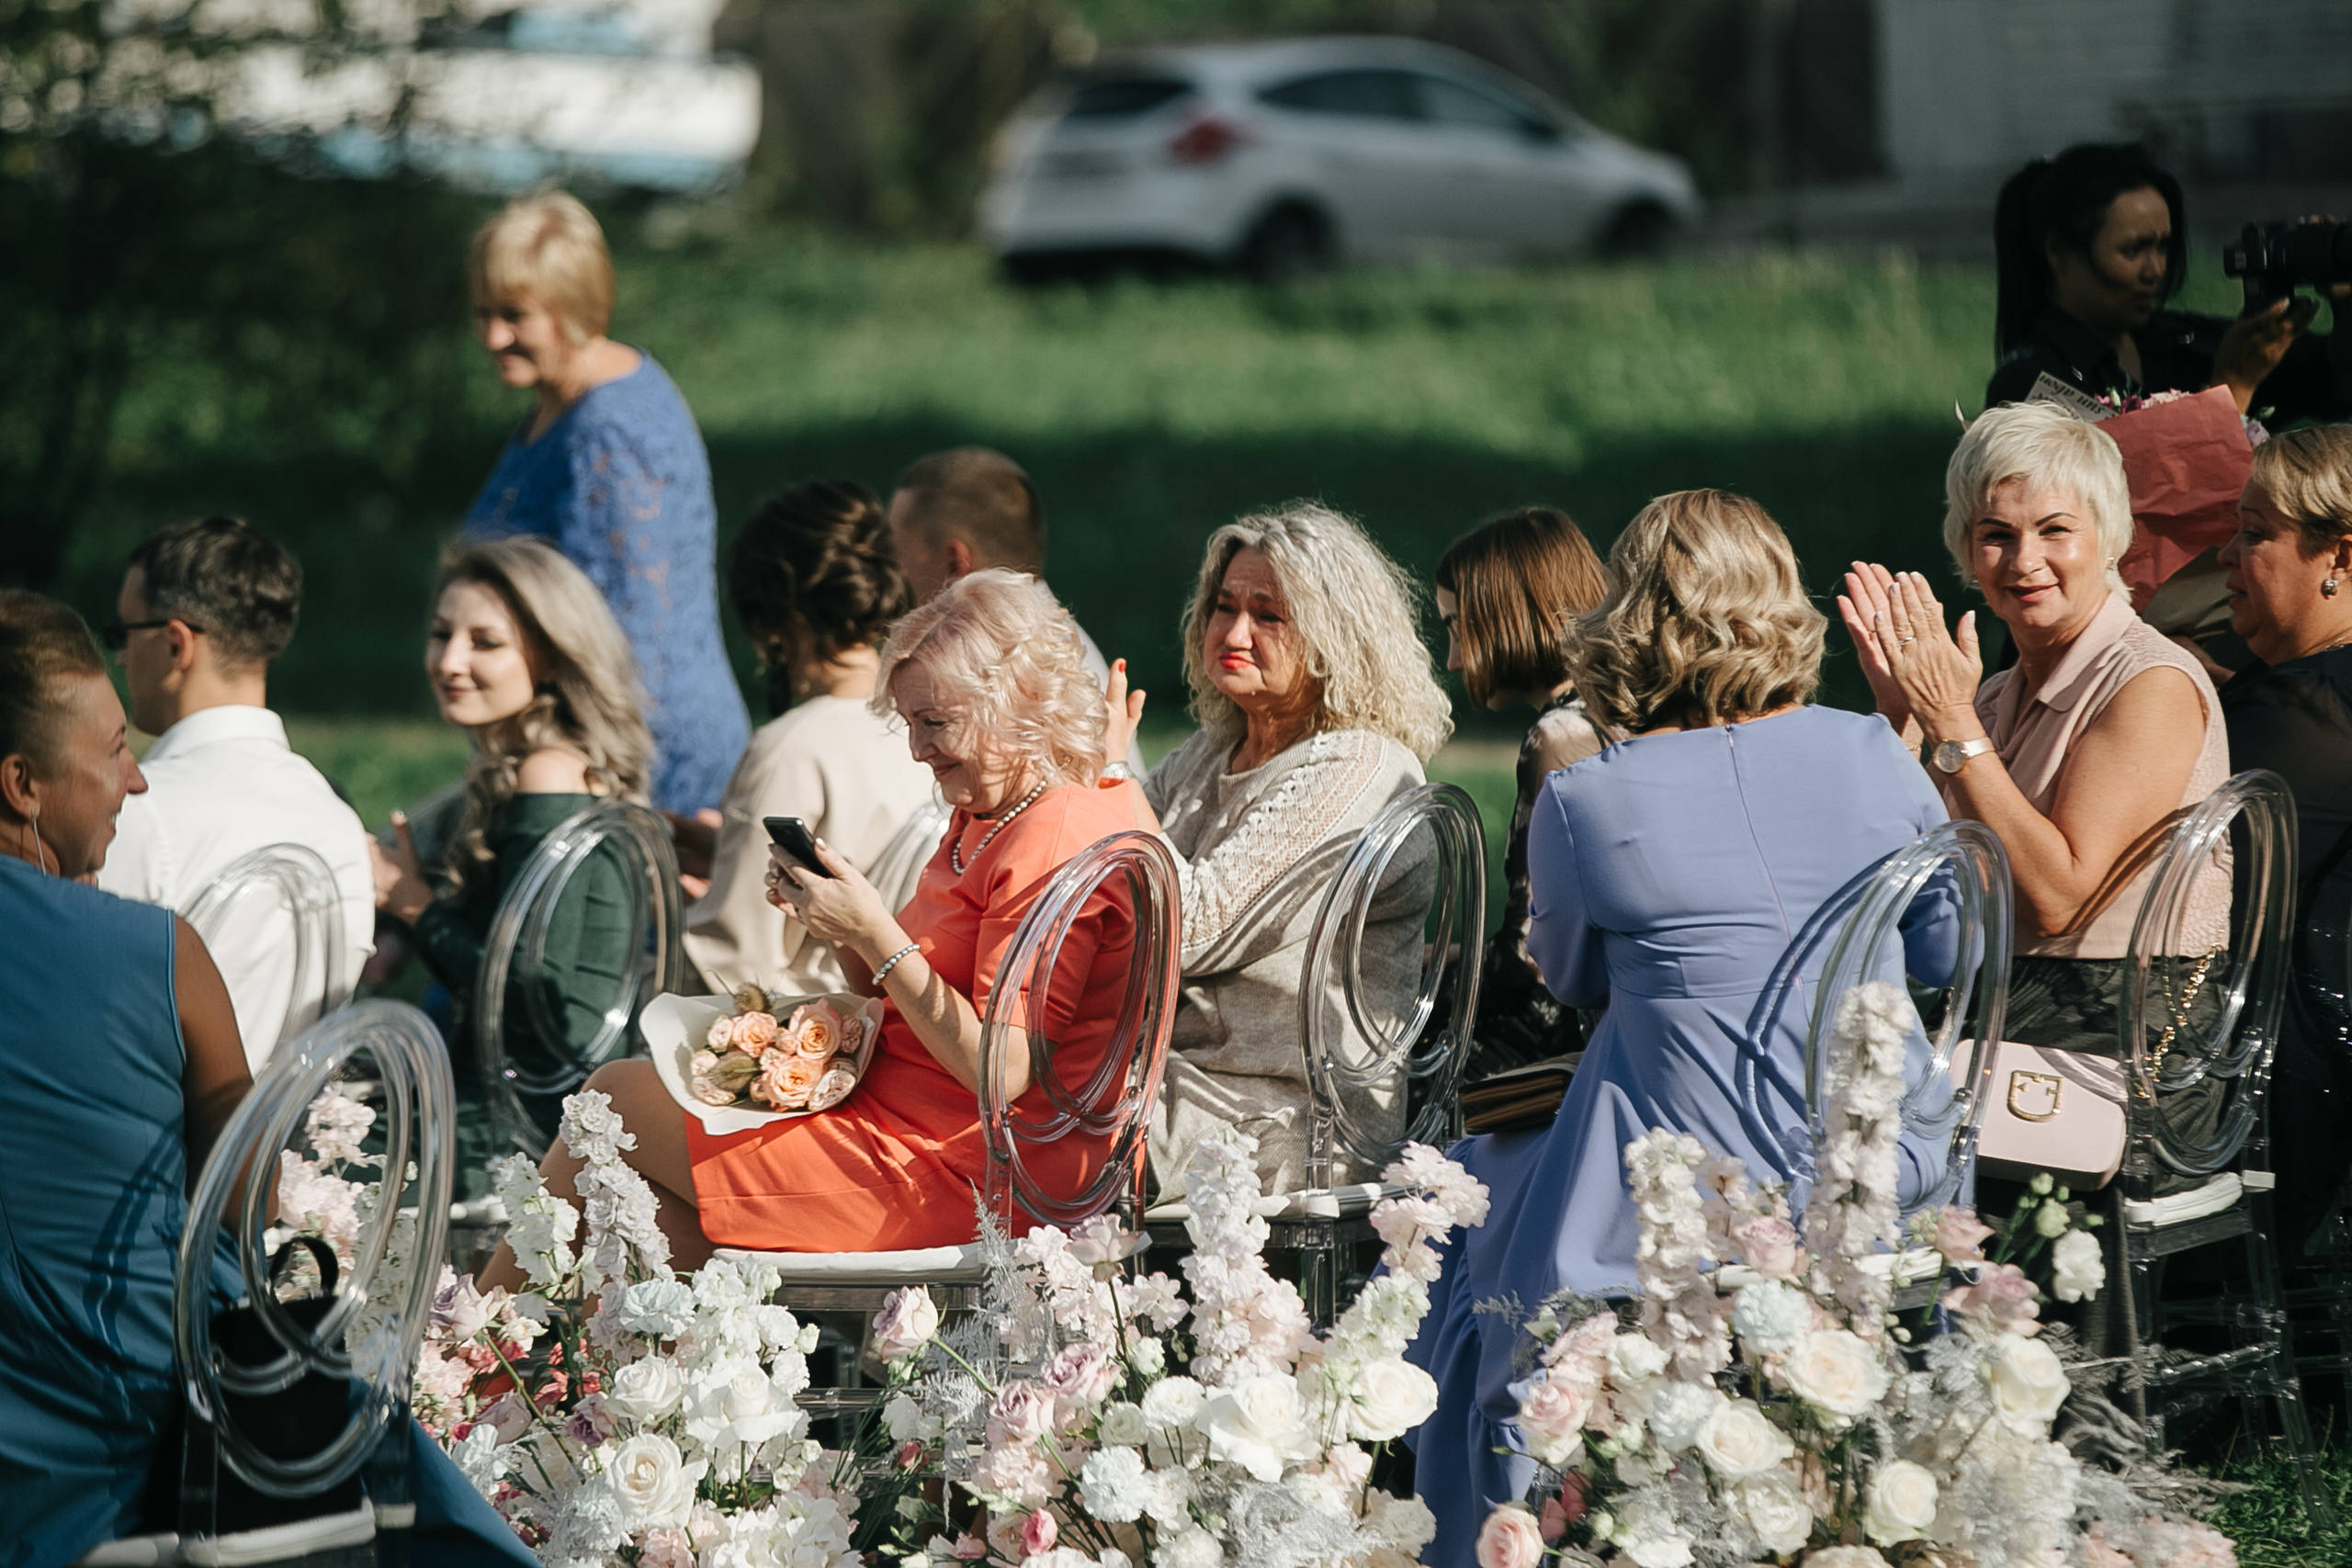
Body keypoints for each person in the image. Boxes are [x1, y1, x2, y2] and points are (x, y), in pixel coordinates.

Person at [1405, 493, 1954, 1564]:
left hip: (1686, 1194)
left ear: (1630, 616)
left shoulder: (1587, 797)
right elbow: (1940, 954)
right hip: (1887, 1162)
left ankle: (1509, 1519)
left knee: (1475, 1204)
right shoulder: (1875, 752)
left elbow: (1565, 977)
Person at [476, 570, 1149, 1279]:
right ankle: (561, 1379)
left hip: (962, 1173)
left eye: (936, 723)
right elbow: (903, 998)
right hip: (911, 1129)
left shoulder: (1051, 834)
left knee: (615, 1100)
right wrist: (840, 923)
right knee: (644, 1210)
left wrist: (875, 932)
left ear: (1021, 702)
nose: (919, 749)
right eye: (912, 723)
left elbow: (1002, 1070)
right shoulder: (991, 811)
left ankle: (468, 1360)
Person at [1840, 400, 2230, 1198]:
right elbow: (1908, 887)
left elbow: (2058, 898)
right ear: (1967, 553)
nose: (2026, 560)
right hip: (2004, 1026)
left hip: (2123, 1044)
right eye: (1997, 535)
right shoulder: (1991, 695)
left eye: (2056, 529)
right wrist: (1901, 722)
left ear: (2108, 537)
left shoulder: (2148, 681)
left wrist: (1950, 725)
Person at [0, 590, 253, 1566]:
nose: (136, 781)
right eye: (112, 750)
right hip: (140, 1462)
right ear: (22, 784)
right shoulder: (159, 953)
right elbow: (243, 1209)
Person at [1102, 502, 1451, 1196]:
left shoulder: (1360, 768)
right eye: (1224, 606)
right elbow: (1103, 902)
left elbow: (1189, 930)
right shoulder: (1209, 753)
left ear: (1335, 637)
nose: (1234, 631)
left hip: (1279, 1121)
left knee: (1002, 1137)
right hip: (1158, 1088)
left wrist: (1111, 780)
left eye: (1269, 615)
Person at [369, 536, 654, 1175]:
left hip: (518, 1130)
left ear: (551, 656)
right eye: (441, 634)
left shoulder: (548, 774)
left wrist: (408, 902)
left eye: (484, 642)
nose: (449, 660)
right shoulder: (528, 765)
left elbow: (532, 1000)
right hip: (517, 1103)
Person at [459, 189, 749, 815]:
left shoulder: (609, 433)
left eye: (515, 314)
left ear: (573, 307)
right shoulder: (562, 400)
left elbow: (631, 633)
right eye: (482, 312)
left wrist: (577, 774)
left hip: (647, 758)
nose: (492, 335)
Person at [95, 517, 374, 1067]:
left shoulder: (138, 809)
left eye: (122, 633)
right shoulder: (337, 818)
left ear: (176, 644)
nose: (121, 657)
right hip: (285, 1140)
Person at [677, 480, 937, 998]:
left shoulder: (793, 748)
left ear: (780, 623)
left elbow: (730, 963)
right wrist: (729, 849)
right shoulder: (938, 720)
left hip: (818, 1033)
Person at [2214, 424, 2352, 1253]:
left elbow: (2134, 863)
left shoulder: (2311, 716)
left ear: (2341, 557)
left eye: (2255, 533)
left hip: (2283, 1097)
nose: (2227, 555)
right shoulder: (2305, 693)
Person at [1432, 506, 1611, 1082]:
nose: (1453, 658)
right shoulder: (1621, 711)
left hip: (1577, 1042)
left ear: (1508, 616)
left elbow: (1530, 959)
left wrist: (1419, 980)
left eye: (1458, 626)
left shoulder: (1560, 738)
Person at [1986, 142, 2349, 423]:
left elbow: (2334, 387)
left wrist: (2345, 303)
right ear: (2058, 251)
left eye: (2163, 246)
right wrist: (2230, 389)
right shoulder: (2028, 383)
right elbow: (2127, 504)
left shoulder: (2181, 343)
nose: (2156, 269)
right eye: (2134, 250)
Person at [887, 446, 1146, 774]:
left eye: (897, 555)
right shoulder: (1056, 646)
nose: (889, 574)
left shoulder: (1015, 671)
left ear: (956, 562)